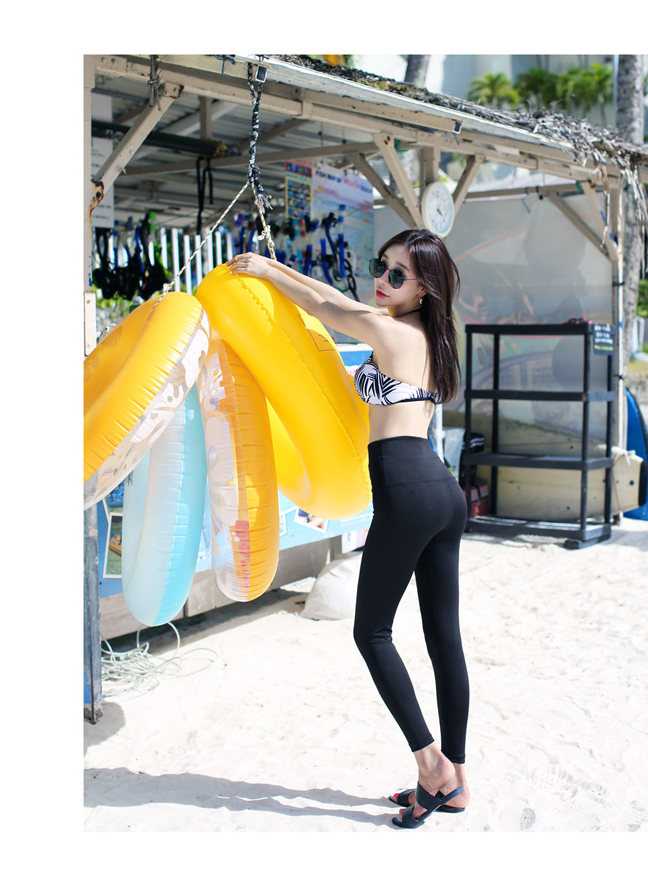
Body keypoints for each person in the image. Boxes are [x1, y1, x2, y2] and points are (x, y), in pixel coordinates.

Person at [228, 228, 470, 829]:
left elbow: (326, 308)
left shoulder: (391, 333)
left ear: (424, 288)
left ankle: (431, 768)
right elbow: (337, 298)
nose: (382, 280)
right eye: (380, 266)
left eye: (397, 274)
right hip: (442, 490)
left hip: (407, 490)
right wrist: (276, 266)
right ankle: (459, 781)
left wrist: (264, 271)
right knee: (444, 639)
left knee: (371, 632)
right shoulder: (428, 337)